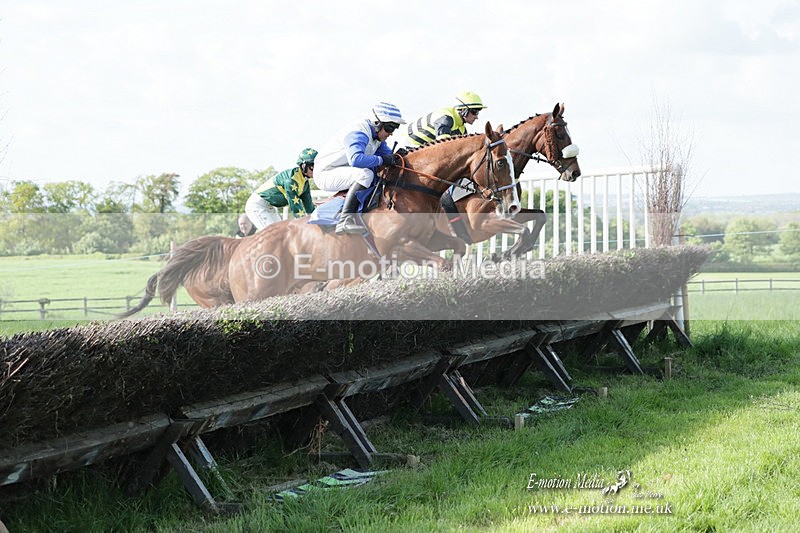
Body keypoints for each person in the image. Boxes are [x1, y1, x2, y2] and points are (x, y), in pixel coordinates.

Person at [314, 101, 405, 234]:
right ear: (377, 123)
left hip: (343, 170)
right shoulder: (358, 132)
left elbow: (389, 157)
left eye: (394, 129)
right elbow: (356, 160)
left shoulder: (378, 138)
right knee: (366, 174)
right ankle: (345, 220)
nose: (391, 134)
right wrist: (382, 159)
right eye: (389, 128)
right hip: (326, 173)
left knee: (374, 173)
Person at [245, 147, 318, 231]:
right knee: (273, 235)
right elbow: (297, 210)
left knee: (282, 233)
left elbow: (309, 207)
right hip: (257, 205)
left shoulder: (304, 183)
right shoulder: (290, 180)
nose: (315, 170)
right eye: (312, 166)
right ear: (303, 165)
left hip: (269, 207)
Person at [402, 91, 487, 146]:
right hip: (410, 144)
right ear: (463, 110)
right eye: (474, 112)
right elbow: (444, 146)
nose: (476, 117)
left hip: (425, 147)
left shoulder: (462, 129)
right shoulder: (446, 118)